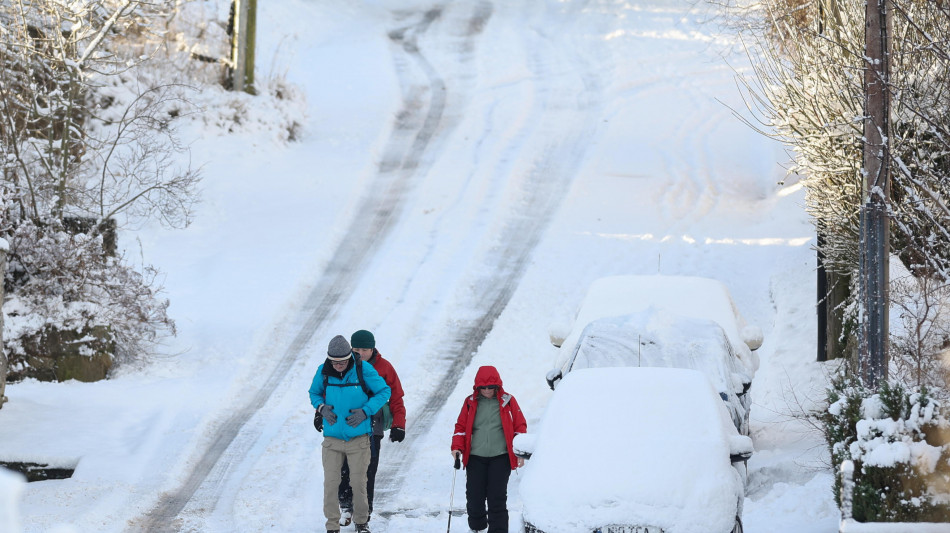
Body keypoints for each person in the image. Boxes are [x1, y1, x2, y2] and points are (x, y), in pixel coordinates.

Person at [309, 335, 391, 533]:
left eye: (343, 362)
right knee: (331, 483)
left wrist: (366, 411)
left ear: (349, 357)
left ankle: (361, 523)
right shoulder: (323, 371)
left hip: (359, 439)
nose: (339, 366)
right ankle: (332, 526)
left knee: (358, 482)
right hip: (332, 440)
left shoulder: (363, 369)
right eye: (335, 362)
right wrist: (321, 408)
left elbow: (384, 391)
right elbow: (314, 393)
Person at [337, 329, 407, 526]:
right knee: (343, 468)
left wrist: (398, 425)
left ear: (372, 348)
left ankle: (363, 517)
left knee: (367, 471)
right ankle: (346, 506)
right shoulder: (343, 365)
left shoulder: (384, 368)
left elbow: (396, 397)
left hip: (372, 426)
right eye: (356, 349)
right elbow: (329, 391)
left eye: (365, 349)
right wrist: (321, 414)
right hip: (345, 426)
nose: (360, 353)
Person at [450, 366, 527, 533]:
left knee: (496, 498)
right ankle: (477, 528)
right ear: (477, 387)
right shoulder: (470, 402)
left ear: (497, 386)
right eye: (483, 387)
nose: (486, 390)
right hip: (476, 457)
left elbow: (520, 425)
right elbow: (461, 427)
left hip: (501, 457)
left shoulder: (508, 400)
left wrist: (520, 452)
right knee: (474, 497)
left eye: (490, 387)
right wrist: (457, 448)